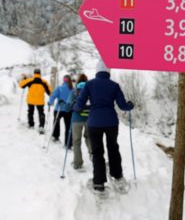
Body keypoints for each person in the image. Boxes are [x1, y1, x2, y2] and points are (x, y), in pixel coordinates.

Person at [74, 60, 134, 195]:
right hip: (112, 122)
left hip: (94, 123)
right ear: (108, 71)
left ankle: (99, 182)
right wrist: (130, 105)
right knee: (113, 147)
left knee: (97, 151)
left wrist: (74, 107)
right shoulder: (114, 85)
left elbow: (80, 104)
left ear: (97, 70)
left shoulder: (89, 85)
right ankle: (117, 175)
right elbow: (123, 106)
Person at [65, 74, 92, 171]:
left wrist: (67, 108)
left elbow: (68, 106)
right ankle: (93, 154)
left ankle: (77, 163)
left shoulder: (74, 91)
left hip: (76, 119)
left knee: (76, 141)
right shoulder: (91, 91)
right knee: (89, 138)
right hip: (90, 119)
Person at [19, 68, 52, 134]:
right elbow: (50, 92)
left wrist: (24, 79)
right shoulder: (44, 82)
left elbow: (21, 85)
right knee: (41, 113)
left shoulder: (30, 80)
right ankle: (41, 126)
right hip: (40, 100)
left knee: (30, 112)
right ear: (40, 73)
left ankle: (31, 124)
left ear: (34, 73)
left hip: (31, 100)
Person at [48, 75, 74, 148]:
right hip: (68, 110)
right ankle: (68, 143)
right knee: (68, 126)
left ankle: (56, 136)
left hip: (59, 109)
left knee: (56, 122)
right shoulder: (72, 89)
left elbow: (53, 96)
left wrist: (50, 102)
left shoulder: (60, 88)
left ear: (64, 80)